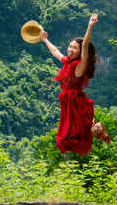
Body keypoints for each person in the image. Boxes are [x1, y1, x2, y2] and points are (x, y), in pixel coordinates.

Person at [40, 13, 111, 155]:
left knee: (67, 140)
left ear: (80, 52)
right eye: (70, 47)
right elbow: (55, 52)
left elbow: (85, 44)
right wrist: (45, 40)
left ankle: (95, 128)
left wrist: (90, 24)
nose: (70, 50)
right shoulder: (67, 62)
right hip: (66, 104)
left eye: (74, 48)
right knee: (64, 141)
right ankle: (94, 127)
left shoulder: (80, 66)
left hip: (75, 102)